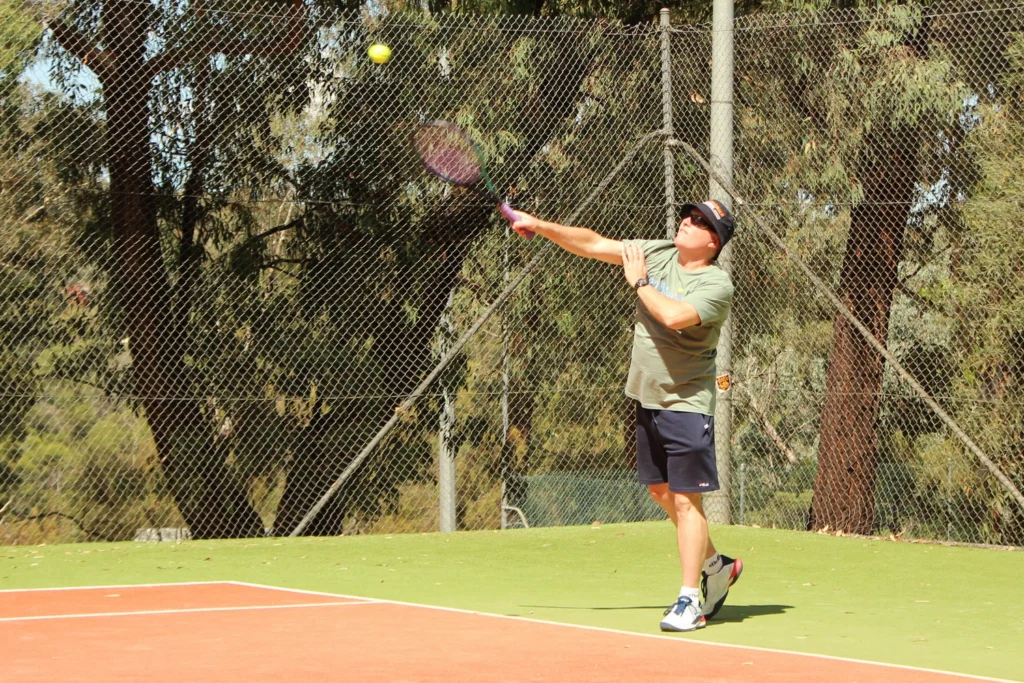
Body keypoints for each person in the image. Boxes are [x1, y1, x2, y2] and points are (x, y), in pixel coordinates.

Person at [511, 199, 743, 632]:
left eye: (699, 223)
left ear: (713, 241)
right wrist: (540, 225)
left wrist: (639, 284)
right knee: (659, 490)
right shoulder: (658, 252)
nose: (687, 223)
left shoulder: (717, 285)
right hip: (647, 398)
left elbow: (673, 316)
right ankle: (715, 564)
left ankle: (690, 599)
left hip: (686, 404)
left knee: (685, 501)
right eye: (688, 215)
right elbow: (596, 244)